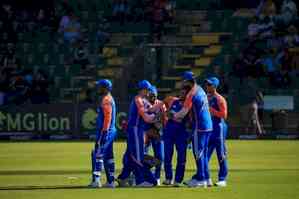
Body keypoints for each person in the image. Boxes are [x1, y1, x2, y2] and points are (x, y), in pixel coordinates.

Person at [172, 71, 213, 188]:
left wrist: (172, 115)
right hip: (208, 125)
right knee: (203, 153)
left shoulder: (191, 93)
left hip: (200, 126)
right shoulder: (200, 89)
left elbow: (183, 112)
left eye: (183, 81)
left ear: (186, 81)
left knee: (198, 153)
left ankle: (201, 179)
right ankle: (207, 177)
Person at [117, 80, 158, 187]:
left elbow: (152, 108)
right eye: (148, 90)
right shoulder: (138, 100)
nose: (149, 92)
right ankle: (140, 181)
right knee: (137, 156)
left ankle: (123, 178)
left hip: (137, 130)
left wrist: (163, 105)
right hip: (135, 129)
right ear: (143, 90)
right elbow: (147, 117)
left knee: (131, 156)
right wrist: (158, 117)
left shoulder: (143, 100)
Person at [89, 79, 117, 188]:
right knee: (109, 155)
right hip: (110, 131)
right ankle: (110, 181)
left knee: (97, 154)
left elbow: (107, 118)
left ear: (105, 88)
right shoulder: (109, 98)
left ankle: (96, 180)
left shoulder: (106, 99)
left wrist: (104, 133)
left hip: (105, 131)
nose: (98, 88)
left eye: (100, 86)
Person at [204, 77, 229, 187]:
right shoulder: (205, 97)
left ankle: (222, 179)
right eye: (207, 84)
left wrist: (212, 110)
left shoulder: (220, 99)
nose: (207, 86)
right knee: (204, 155)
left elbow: (224, 115)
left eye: (209, 84)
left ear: (215, 86)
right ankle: (204, 177)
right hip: (208, 129)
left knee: (221, 154)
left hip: (219, 128)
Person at [162, 88, 189, 187]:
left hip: (181, 133)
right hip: (169, 132)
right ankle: (168, 178)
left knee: (181, 157)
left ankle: (178, 180)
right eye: (181, 92)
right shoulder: (174, 100)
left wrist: (174, 116)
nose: (182, 94)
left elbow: (184, 119)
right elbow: (167, 113)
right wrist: (173, 116)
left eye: (184, 93)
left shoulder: (188, 104)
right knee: (167, 155)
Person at [144, 85, 166, 185]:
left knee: (160, 156)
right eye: (150, 95)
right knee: (142, 155)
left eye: (154, 95)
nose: (152, 97)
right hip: (146, 133)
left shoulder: (161, 105)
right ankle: (142, 175)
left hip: (158, 133)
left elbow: (165, 120)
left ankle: (156, 177)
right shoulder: (144, 104)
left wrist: (161, 130)